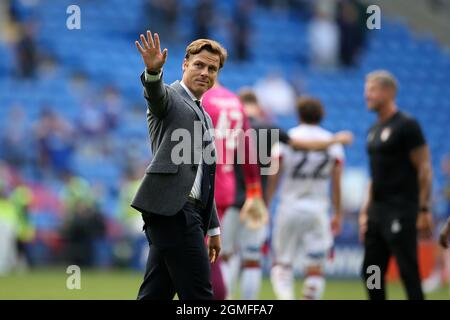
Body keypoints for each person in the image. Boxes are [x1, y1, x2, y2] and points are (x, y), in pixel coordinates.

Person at [220, 90, 353, 300]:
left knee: (228, 258)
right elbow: (333, 177)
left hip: (233, 202)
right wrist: (336, 140)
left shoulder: (228, 128)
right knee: (253, 259)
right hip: (286, 205)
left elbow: (276, 171)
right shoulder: (275, 131)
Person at [131, 32, 225, 300]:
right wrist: (152, 72)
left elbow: (205, 177)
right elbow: (155, 95)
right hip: (175, 211)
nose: (205, 72)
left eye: (212, 68)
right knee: (199, 296)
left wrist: (213, 228)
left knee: (155, 294)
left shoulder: (205, 116)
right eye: (199, 65)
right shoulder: (170, 97)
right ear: (185, 64)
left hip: (185, 213)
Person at [359, 70, 433, 300]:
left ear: (388, 92)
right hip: (377, 211)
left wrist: (423, 209)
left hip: (401, 209)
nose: (366, 95)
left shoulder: (407, 125)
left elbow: (424, 168)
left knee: (407, 270)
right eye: (366, 90)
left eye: (372, 90)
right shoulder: (373, 131)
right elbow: (374, 175)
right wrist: (365, 211)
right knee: (371, 270)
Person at [266, 96, 346, 300]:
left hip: (289, 207)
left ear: (298, 114)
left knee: (282, 264)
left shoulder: (287, 139)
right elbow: (337, 184)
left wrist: (266, 205)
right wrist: (338, 212)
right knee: (316, 267)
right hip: (318, 210)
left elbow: (274, 176)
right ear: (322, 115)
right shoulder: (333, 143)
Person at [202, 82, 267, 300]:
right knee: (228, 255)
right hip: (226, 189)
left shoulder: (200, 98)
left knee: (207, 256)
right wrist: (256, 191)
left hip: (202, 187)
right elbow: (247, 150)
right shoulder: (234, 101)